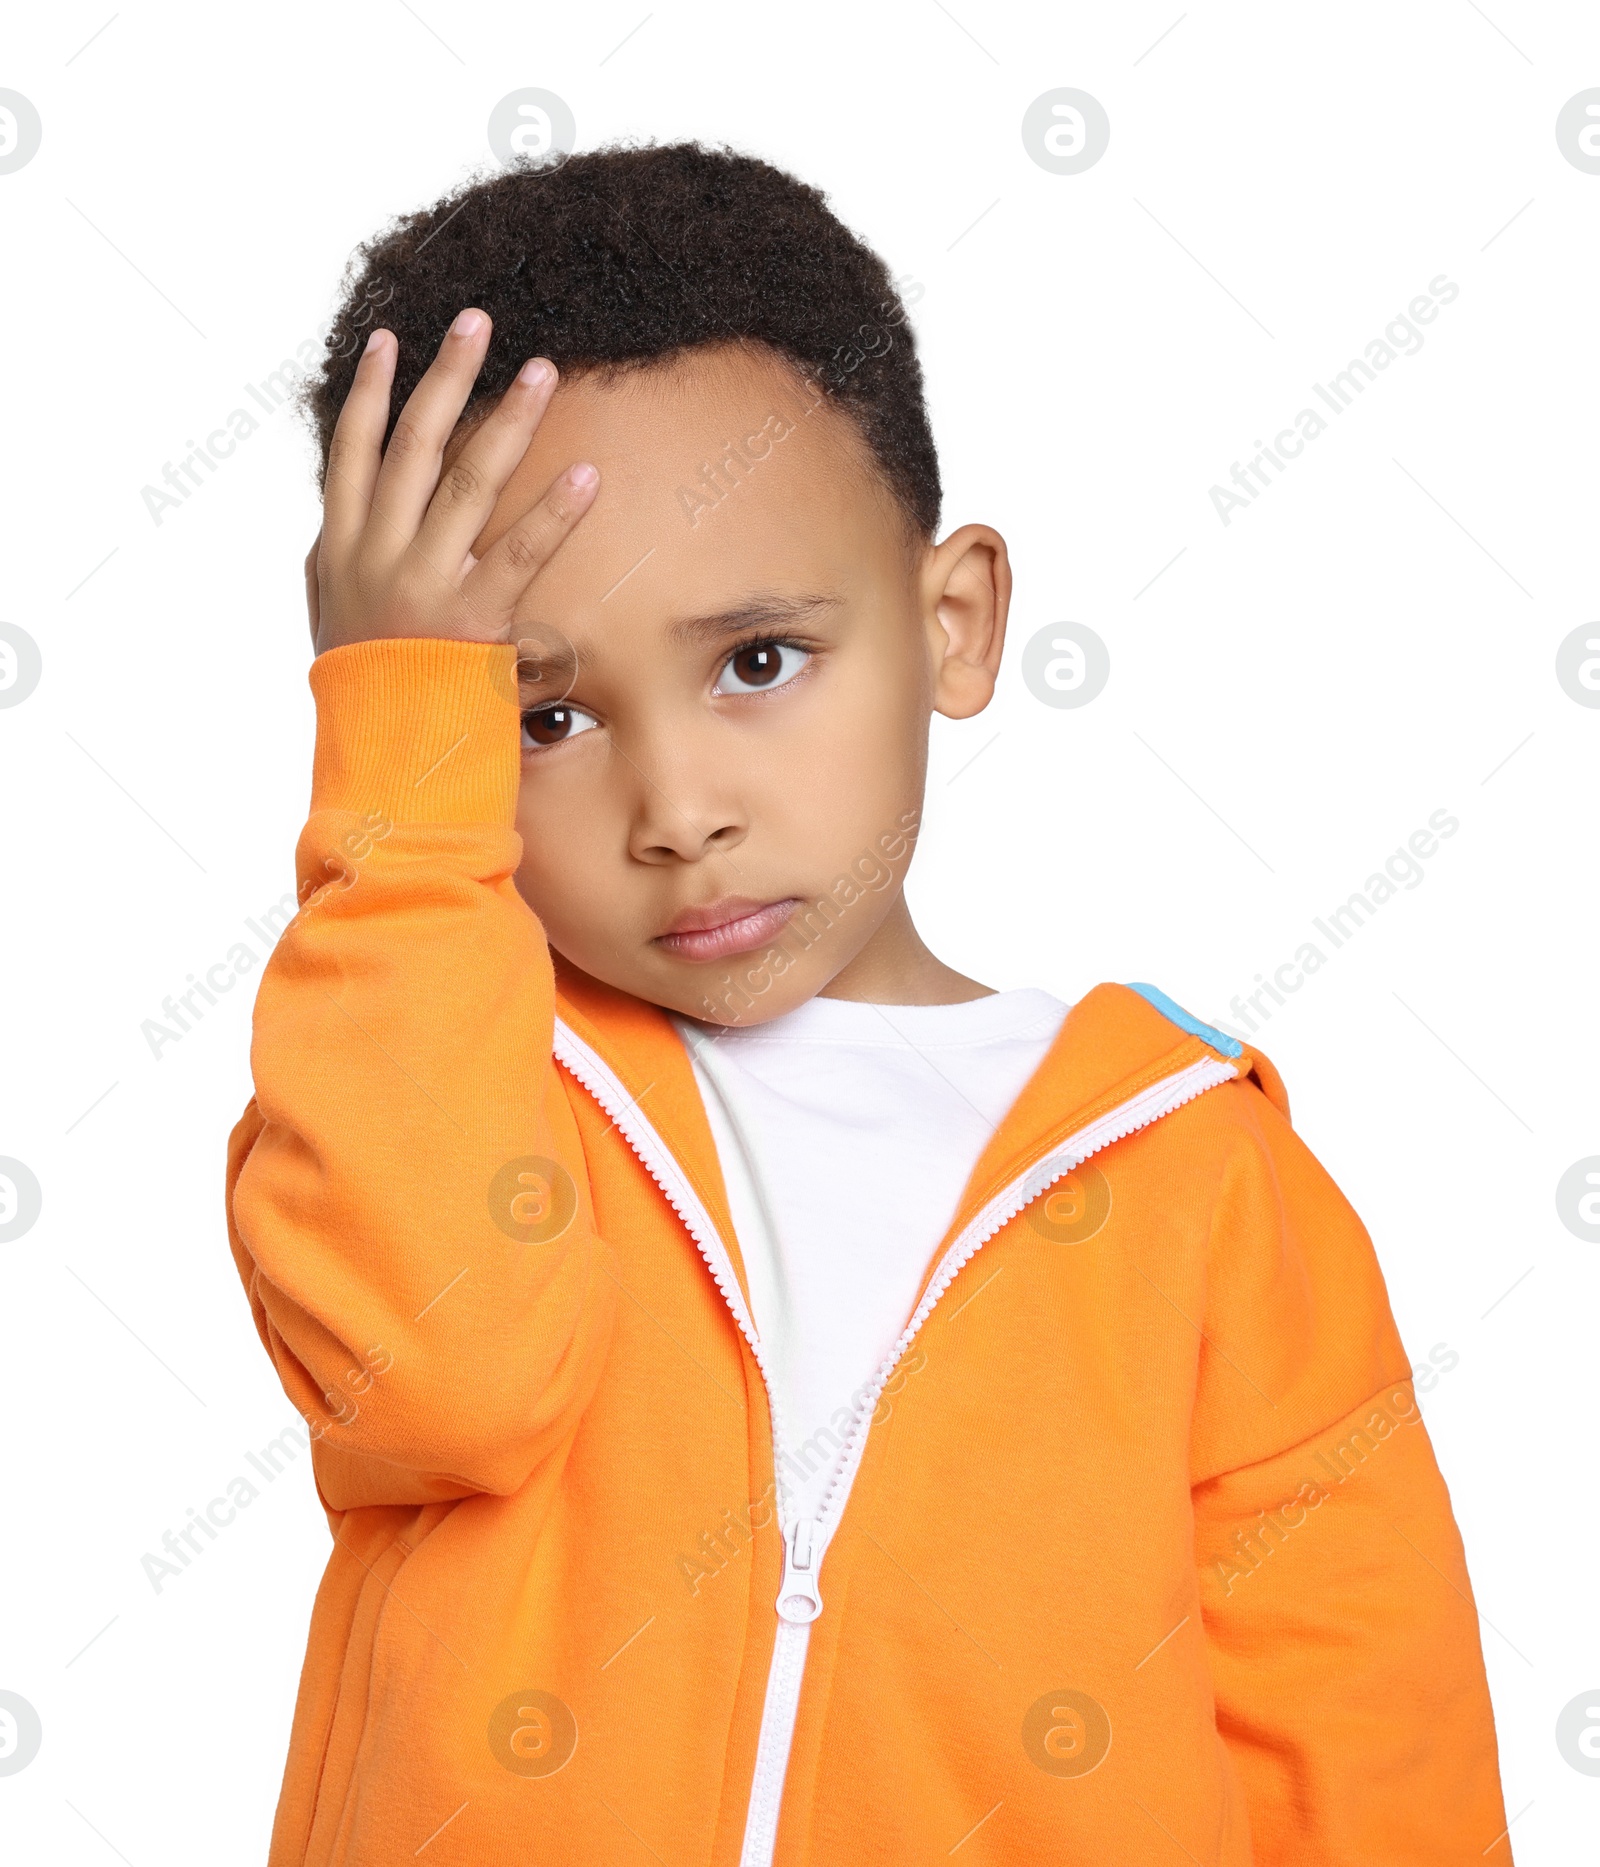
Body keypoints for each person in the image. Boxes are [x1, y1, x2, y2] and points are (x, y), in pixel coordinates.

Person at [226, 142, 1509, 1865]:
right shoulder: (442, 1068)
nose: (676, 807)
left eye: (758, 661)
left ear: (955, 623)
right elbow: (442, 1382)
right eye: (540, 718)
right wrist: (396, 797)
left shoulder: (1205, 1180)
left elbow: (1363, 1751)